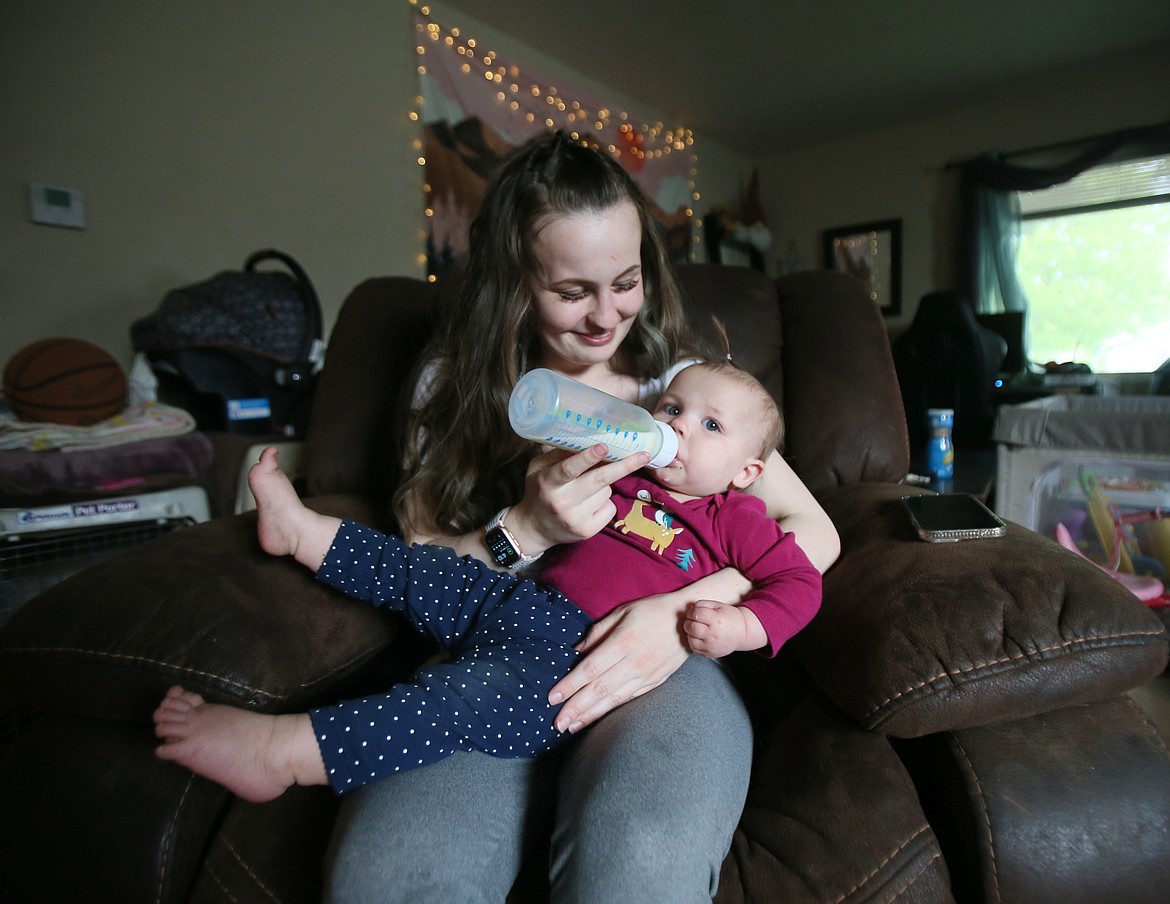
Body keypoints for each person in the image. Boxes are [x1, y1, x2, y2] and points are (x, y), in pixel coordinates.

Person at [276, 131, 838, 902]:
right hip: (499, 647)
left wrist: (673, 614)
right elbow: (420, 570)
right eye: (572, 291)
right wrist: (528, 527)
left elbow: (815, 534)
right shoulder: (452, 388)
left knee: (638, 871)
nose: (607, 316)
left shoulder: (679, 393)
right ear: (511, 281)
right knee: (392, 878)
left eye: (627, 281)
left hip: (660, 660)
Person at [153, 361, 822, 801]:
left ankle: (281, 753)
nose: (676, 425)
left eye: (708, 426)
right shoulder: (625, 467)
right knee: (418, 571)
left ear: (745, 473)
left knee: (448, 702)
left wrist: (738, 623)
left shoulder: (735, 518)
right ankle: (300, 532)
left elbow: (798, 583)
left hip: (565, 656)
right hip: (518, 596)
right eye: (673, 406)